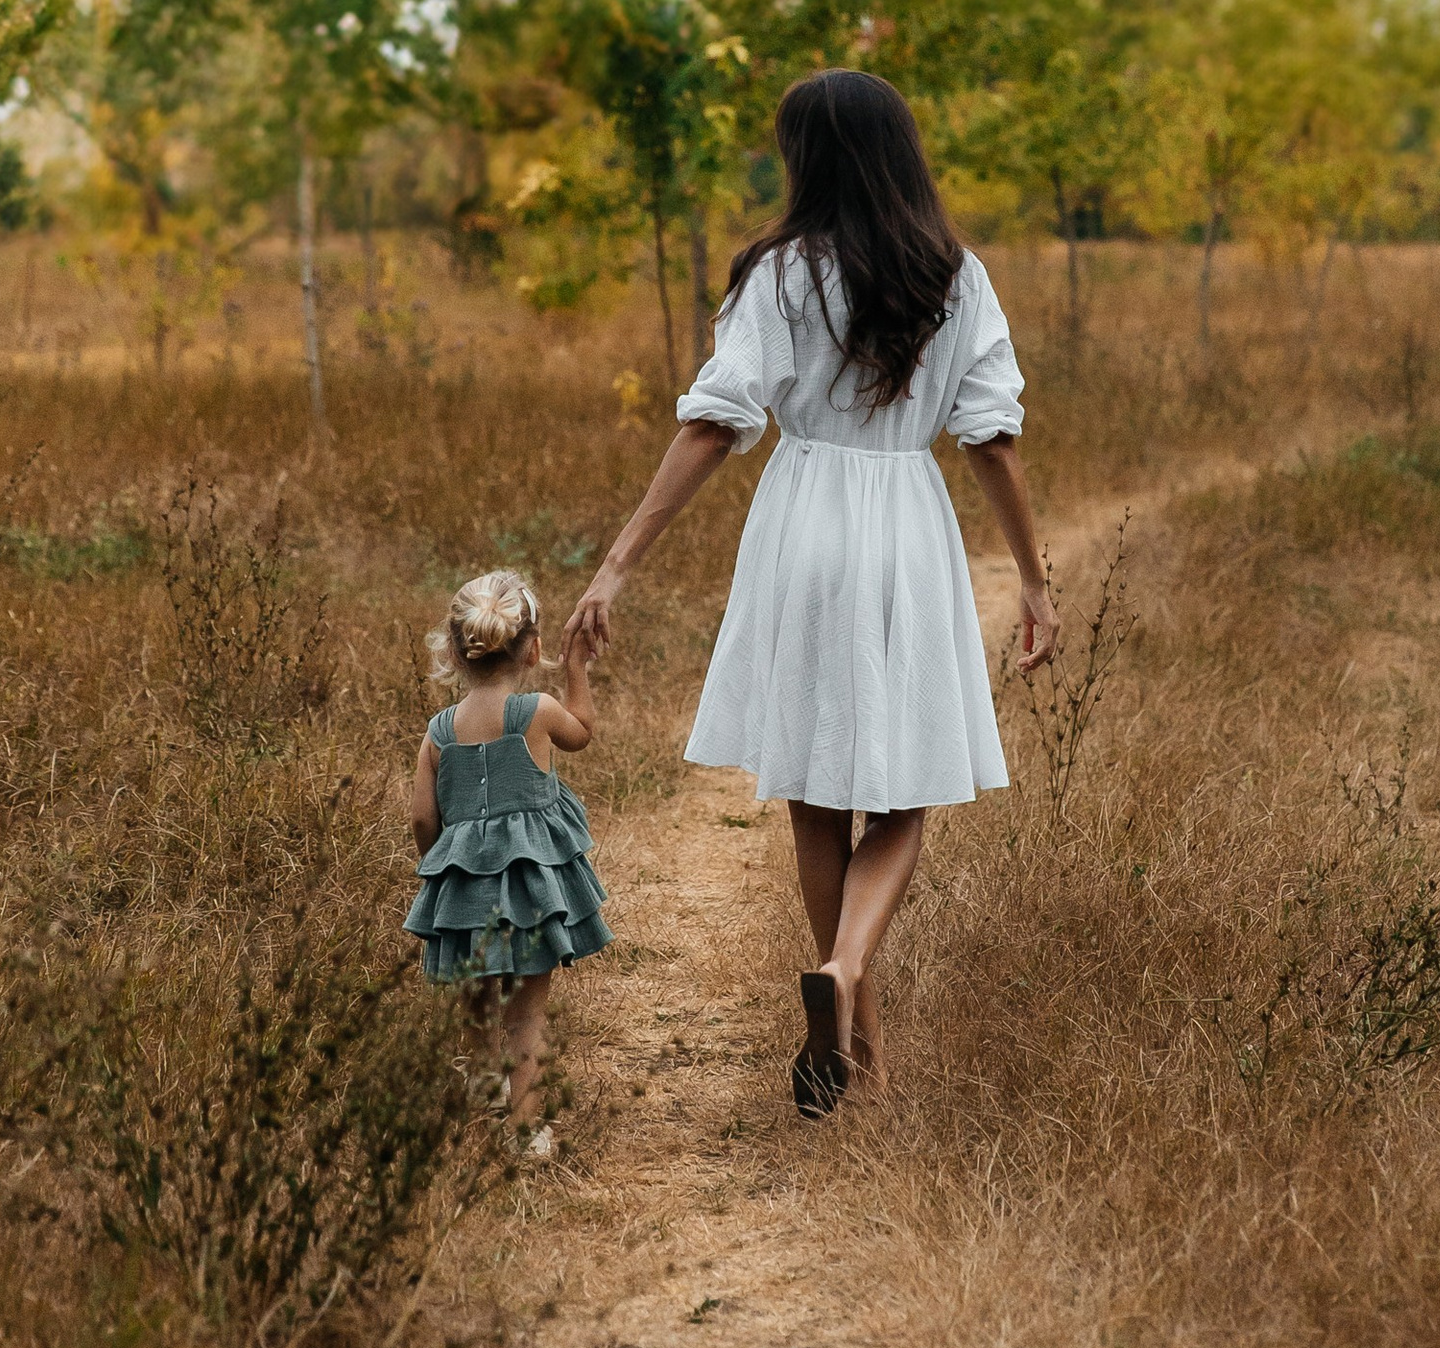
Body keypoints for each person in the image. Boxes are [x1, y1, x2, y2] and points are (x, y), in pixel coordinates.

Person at [566, 68, 1055, 1118]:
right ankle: (845, 991)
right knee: (908, 791)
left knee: (818, 793)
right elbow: (993, 440)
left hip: (800, 521)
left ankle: (855, 1035)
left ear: (809, 159)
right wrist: (1034, 580)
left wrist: (616, 564)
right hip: (905, 525)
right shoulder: (955, 277)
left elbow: (712, 424)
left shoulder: (778, 275)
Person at [405, 568, 609, 1159]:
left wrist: (444, 870)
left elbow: (422, 818)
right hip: (532, 895)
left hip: (463, 894)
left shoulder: (438, 733)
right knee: (526, 1015)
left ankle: (480, 1094)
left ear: (453, 650)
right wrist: (577, 668)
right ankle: (524, 1133)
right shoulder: (539, 712)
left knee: (477, 1000)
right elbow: (584, 732)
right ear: (533, 647)